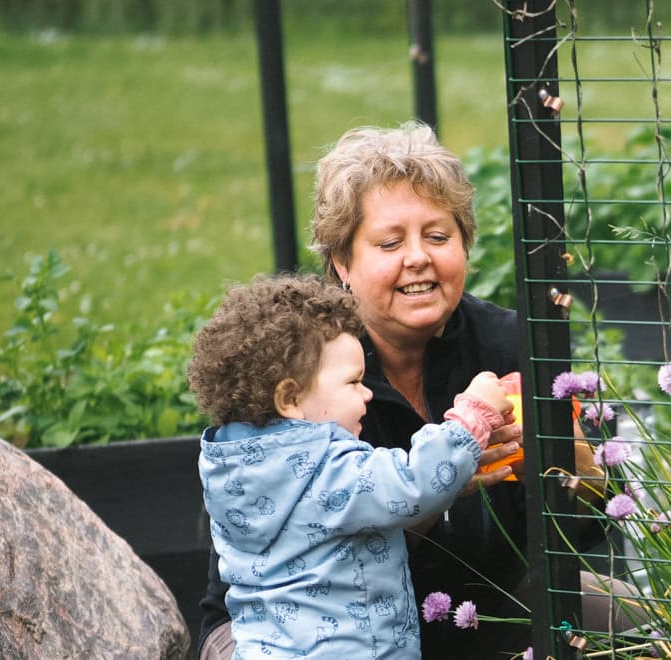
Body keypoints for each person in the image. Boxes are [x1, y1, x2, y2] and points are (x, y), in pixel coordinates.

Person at [198, 122, 641, 659]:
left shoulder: (509, 344)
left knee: (643, 626)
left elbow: (589, 529)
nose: (418, 258)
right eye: (390, 242)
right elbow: (311, 550)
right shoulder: (298, 365)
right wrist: (438, 485)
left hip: (480, 602)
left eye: (438, 236)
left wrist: (579, 469)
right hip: (291, 626)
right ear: (342, 262)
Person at [188, 273, 514, 658]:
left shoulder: (233, 469)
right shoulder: (327, 470)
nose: (368, 393)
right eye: (354, 382)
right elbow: (414, 481)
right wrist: (474, 414)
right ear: (290, 398)